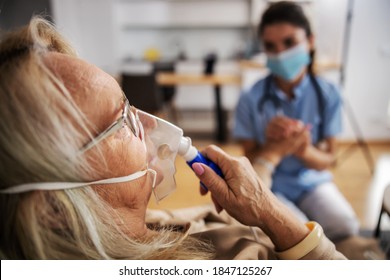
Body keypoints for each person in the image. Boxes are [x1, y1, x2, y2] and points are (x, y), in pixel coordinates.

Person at [0, 17, 348, 260]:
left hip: (296, 183)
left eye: (131, 107)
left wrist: (268, 167)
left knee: (344, 225)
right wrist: (275, 215)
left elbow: (229, 213)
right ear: (52, 208)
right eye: (121, 121)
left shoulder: (142, 227)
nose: (151, 125)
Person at [233, 1, 360, 242]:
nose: (280, 53)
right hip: (271, 184)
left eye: (290, 43)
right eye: (271, 46)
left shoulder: (328, 94)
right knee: (297, 234)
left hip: (312, 182)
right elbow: (249, 164)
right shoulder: (251, 98)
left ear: (310, 41)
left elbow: (328, 159)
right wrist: (271, 147)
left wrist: (304, 149)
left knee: (345, 225)